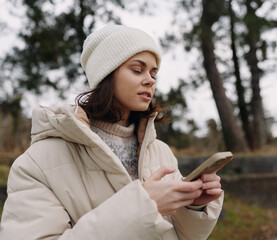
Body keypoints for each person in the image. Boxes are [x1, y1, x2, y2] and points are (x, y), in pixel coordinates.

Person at [0, 24, 224, 239]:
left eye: (153, 74)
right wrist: (143, 208)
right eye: (138, 70)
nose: (149, 81)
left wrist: (194, 207)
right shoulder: (38, 163)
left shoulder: (161, 152)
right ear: (105, 75)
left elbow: (181, 236)